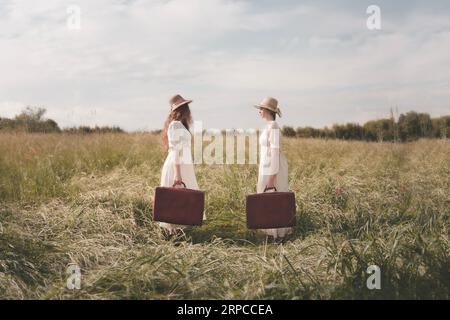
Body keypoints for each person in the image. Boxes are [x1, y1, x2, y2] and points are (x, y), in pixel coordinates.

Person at [159, 94, 202, 234]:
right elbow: (176, 151)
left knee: (180, 200)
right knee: (176, 200)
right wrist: (177, 174)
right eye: (186, 107)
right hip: (177, 166)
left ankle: (177, 236)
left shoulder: (181, 125)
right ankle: (174, 236)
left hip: (183, 165)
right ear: (183, 109)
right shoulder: (176, 125)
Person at [254, 97, 293, 240]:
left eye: (261, 108)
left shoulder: (274, 126)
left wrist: (272, 177)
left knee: (274, 198)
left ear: (268, 110)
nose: (259, 111)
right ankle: (270, 232)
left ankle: (277, 235)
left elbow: (276, 153)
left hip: (273, 168)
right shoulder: (268, 126)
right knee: (267, 199)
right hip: (266, 166)